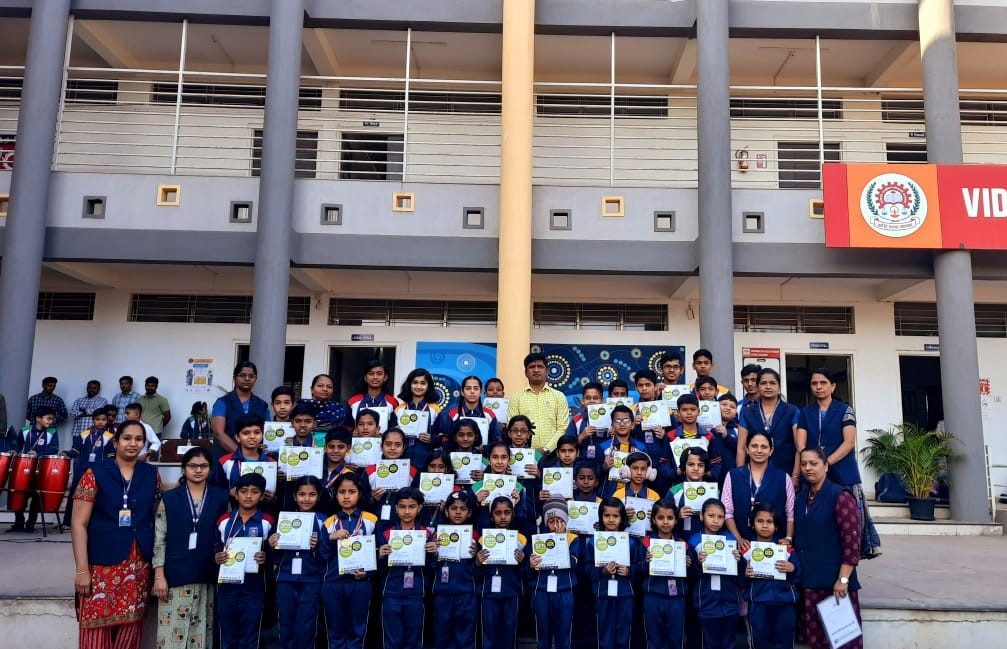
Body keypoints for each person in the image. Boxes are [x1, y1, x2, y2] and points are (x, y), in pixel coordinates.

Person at [71, 419, 160, 649]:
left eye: (139, 439)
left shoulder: (151, 475)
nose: (133, 443)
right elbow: (78, 524)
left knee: (131, 632)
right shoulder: (95, 472)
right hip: (101, 566)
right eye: (127, 438)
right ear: (117, 441)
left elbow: (158, 520)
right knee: (95, 631)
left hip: (138, 566)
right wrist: (82, 570)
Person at [797, 368, 881, 559]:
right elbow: (800, 444)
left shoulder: (845, 410)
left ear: (833, 386)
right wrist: (809, 466)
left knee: (847, 525)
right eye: (814, 383)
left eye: (823, 383)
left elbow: (849, 442)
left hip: (843, 474)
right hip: (812, 474)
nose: (818, 387)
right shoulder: (805, 412)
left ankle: (848, 567)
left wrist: (825, 464)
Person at [152, 447, 229, 649]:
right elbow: (159, 539)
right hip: (175, 576)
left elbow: (227, 535)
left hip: (207, 574)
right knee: (171, 638)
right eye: (192, 466)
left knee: (201, 634)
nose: (198, 470)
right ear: (184, 469)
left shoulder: (221, 498)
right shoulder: (169, 499)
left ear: (210, 469)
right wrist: (159, 576)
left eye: (203, 466)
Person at [794, 448, 863, 649]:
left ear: (825, 466)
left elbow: (852, 542)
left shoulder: (840, 496)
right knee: (816, 642)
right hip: (808, 582)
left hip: (835, 586)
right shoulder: (802, 497)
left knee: (843, 643)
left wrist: (843, 579)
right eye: (804, 463)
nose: (808, 468)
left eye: (813, 463)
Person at [214, 472, 272, 649]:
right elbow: (214, 547)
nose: (248, 496)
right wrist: (217, 557)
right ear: (235, 493)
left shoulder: (267, 522)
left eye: (254, 492)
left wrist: (265, 556)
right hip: (227, 588)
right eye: (244, 491)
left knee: (250, 637)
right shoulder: (223, 521)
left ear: (262, 496)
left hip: (254, 588)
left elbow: (274, 553)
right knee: (228, 636)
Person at [320, 472, 377, 649]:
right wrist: (331, 537)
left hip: (360, 582)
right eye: (341, 492)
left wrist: (368, 572)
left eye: (351, 492)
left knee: (357, 630)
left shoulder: (371, 520)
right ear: (335, 494)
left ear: (359, 494)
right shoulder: (329, 523)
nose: (346, 496)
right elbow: (322, 555)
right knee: (335, 630)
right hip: (333, 582)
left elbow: (379, 553)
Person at [376, 487, 438, 649]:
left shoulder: (426, 534)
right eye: (402, 507)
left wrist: (433, 554)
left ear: (419, 508)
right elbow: (378, 571)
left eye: (411, 507)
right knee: (392, 641)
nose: (407, 511)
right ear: (396, 508)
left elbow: (432, 569)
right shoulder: (387, 533)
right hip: (391, 593)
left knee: (413, 639)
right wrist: (380, 556)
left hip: (416, 594)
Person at [269, 476, 326, 649]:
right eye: (301, 494)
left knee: (307, 626)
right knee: (285, 625)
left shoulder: (324, 521)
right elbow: (274, 556)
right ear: (294, 496)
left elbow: (328, 555)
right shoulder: (283, 519)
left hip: (311, 579)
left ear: (319, 496)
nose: (306, 499)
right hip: (285, 578)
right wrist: (271, 545)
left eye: (312, 494)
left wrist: (318, 546)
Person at [585, 497, 643, 649]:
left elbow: (640, 568)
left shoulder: (631, 542)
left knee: (623, 635)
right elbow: (587, 569)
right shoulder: (593, 542)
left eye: (616, 516)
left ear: (622, 518)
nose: (611, 520)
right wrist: (602, 571)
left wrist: (629, 571)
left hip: (625, 594)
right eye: (607, 516)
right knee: (604, 634)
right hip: (602, 593)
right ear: (601, 517)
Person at [741, 503, 801, 649]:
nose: (765, 526)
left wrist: (792, 568)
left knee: (785, 642)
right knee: (758, 641)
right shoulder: (746, 550)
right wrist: (745, 575)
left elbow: (799, 577)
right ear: (753, 524)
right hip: (758, 603)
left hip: (784, 604)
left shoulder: (785, 549)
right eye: (760, 521)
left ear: (776, 526)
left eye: (770, 521)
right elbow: (740, 581)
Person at [723, 431, 795, 552]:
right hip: (742, 546)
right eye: (754, 446)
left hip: (773, 547)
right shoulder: (733, 475)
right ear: (747, 449)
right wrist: (738, 538)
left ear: (771, 450)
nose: (759, 450)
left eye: (764, 447)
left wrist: (788, 538)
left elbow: (790, 513)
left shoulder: (783, 477)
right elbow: (727, 512)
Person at [687, 499, 742, 649]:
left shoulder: (730, 539)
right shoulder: (694, 540)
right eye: (711, 515)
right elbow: (689, 573)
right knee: (708, 643)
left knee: (729, 642)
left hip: (729, 600)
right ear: (701, 516)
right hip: (705, 601)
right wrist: (698, 563)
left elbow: (740, 573)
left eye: (720, 516)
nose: (716, 520)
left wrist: (738, 561)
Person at [477, 496, 528, 649]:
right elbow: (475, 572)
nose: (503, 517)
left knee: (509, 632)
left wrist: (523, 561)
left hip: (512, 592)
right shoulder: (483, 539)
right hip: (488, 592)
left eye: (507, 512)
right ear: (492, 516)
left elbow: (527, 572)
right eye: (498, 513)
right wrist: (477, 562)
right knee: (489, 633)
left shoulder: (522, 540)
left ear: (513, 514)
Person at [431, 490, 480, 649]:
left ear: (469, 512)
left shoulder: (475, 536)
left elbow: (478, 570)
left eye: (463, 509)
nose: (458, 512)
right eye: (453, 508)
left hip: (466, 592)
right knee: (442, 634)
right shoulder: (437, 535)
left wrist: (477, 559)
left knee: (465, 636)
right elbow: (430, 567)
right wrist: (432, 554)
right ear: (446, 511)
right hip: (442, 591)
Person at [529, 498, 580, 649]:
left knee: (564, 633)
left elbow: (573, 563)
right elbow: (530, 571)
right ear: (546, 522)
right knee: (543, 633)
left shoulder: (572, 539)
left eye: (560, 521)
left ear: (566, 521)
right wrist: (531, 565)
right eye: (551, 521)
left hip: (564, 591)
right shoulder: (538, 540)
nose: (556, 526)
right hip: (542, 590)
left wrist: (560, 540)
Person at [640, 498, 690, 649]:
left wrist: (689, 564)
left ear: (676, 520)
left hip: (677, 599)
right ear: (653, 520)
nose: (665, 522)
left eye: (670, 518)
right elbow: (634, 572)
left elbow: (695, 574)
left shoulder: (683, 545)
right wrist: (645, 563)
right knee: (654, 640)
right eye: (661, 518)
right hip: (653, 596)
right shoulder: (646, 543)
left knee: (676, 639)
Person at [737, 368, 800, 484]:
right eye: (763, 383)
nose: (768, 387)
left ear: (779, 386)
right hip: (754, 473)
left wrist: (795, 475)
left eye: (772, 383)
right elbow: (741, 447)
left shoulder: (792, 411)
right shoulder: (747, 412)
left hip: (785, 471)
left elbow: (799, 447)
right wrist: (739, 475)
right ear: (757, 386)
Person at [9, 406, 60, 533]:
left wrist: (38, 453)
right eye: (48, 419)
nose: (51, 421)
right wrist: (14, 451)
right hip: (24, 468)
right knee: (20, 494)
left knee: (36, 496)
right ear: (38, 418)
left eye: (52, 419)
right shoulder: (25, 430)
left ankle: (30, 524)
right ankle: (18, 523)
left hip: (41, 468)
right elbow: (18, 444)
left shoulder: (52, 432)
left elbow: (54, 449)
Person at [509, 353, 571, 454]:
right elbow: (512, 427)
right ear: (525, 373)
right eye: (532, 367)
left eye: (540, 367)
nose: (536, 370)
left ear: (546, 371)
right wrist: (528, 451)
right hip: (524, 454)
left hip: (553, 454)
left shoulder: (559, 397)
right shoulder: (516, 398)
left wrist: (546, 449)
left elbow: (563, 428)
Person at [64, 406, 113, 526]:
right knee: (75, 493)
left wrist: (108, 468)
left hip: (100, 469)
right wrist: (66, 454)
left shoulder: (109, 436)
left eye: (103, 419)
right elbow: (76, 451)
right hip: (83, 468)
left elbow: (111, 454)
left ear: (107, 421)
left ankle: (96, 521)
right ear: (93, 420)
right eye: (97, 419)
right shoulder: (84, 434)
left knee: (101, 494)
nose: (100, 422)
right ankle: (68, 522)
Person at [210, 361, 270, 461]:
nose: (247, 379)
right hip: (226, 459)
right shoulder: (223, 402)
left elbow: (267, 433)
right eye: (242, 375)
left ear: (255, 380)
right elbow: (219, 433)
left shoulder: (262, 405)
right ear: (234, 378)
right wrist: (242, 455)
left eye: (251, 376)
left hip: (255, 461)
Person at [395, 368, 442, 469]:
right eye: (415, 382)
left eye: (423, 383)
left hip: (425, 458)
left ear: (428, 386)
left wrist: (432, 439)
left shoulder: (435, 409)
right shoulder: (399, 409)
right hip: (402, 457)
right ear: (409, 385)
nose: (418, 386)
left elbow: (442, 437)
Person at [436, 375, 501, 445]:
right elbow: (446, 439)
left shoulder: (489, 414)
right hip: (457, 455)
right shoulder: (453, 414)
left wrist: (485, 449)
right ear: (462, 392)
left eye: (476, 389)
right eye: (468, 388)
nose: (472, 392)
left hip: (483, 455)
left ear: (480, 393)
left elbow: (496, 441)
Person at [565, 382, 606, 462]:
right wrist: (581, 436)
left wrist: (614, 433)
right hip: (582, 465)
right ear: (582, 401)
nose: (592, 401)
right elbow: (567, 447)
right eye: (588, 398)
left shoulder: (611, 420)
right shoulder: (576, 421)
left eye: (596, 398)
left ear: (602, 400)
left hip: (605, 464)